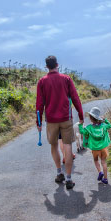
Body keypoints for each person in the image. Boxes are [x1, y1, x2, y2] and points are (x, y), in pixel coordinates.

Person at [36, 56, 84, 188]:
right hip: (66, 118)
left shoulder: (42, 82)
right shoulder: (66, 79)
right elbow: (75, 98)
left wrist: (38, 122)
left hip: (51, 120)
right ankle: (69, 179)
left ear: (46, 67)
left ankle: (59, 173)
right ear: (57, 64)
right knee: (67, 145)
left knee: (54, 146)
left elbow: (39, 104)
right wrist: (81, 115)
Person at [78, 105, 111, 185]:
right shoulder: (103, 126)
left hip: (95, 149)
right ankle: (106, 179)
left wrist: (80, 124)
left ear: (90, 118)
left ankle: (100, 172)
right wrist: (105, 120)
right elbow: (109, 126)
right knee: (103, 162)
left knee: (96, 160)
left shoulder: (89, 128)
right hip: (103, 148)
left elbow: (82, 132)